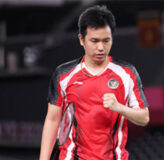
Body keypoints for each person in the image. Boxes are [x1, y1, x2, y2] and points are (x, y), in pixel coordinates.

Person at [39, 5, 149, 160]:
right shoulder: (64, 74)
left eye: (106, 41)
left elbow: (144, 118)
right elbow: (52, 120)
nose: (101, 48)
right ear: (81, 40)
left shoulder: (127, 73)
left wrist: (119, 108)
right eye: (94, 41)